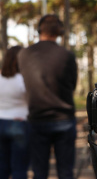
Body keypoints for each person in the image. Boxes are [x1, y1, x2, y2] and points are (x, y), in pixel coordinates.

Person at [18, 14, 78, 179]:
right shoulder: (67, 55)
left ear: (39, 31)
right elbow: (72, 85)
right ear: (60, 32)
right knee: (65, 172)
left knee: (39, 172)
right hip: (64, 120)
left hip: (37, 120)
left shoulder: (24, 54)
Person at [0, 46, 30, 179]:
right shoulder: (24, 80)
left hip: (1, 122)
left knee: (2, 168)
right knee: (19, 168)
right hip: (20, 123)